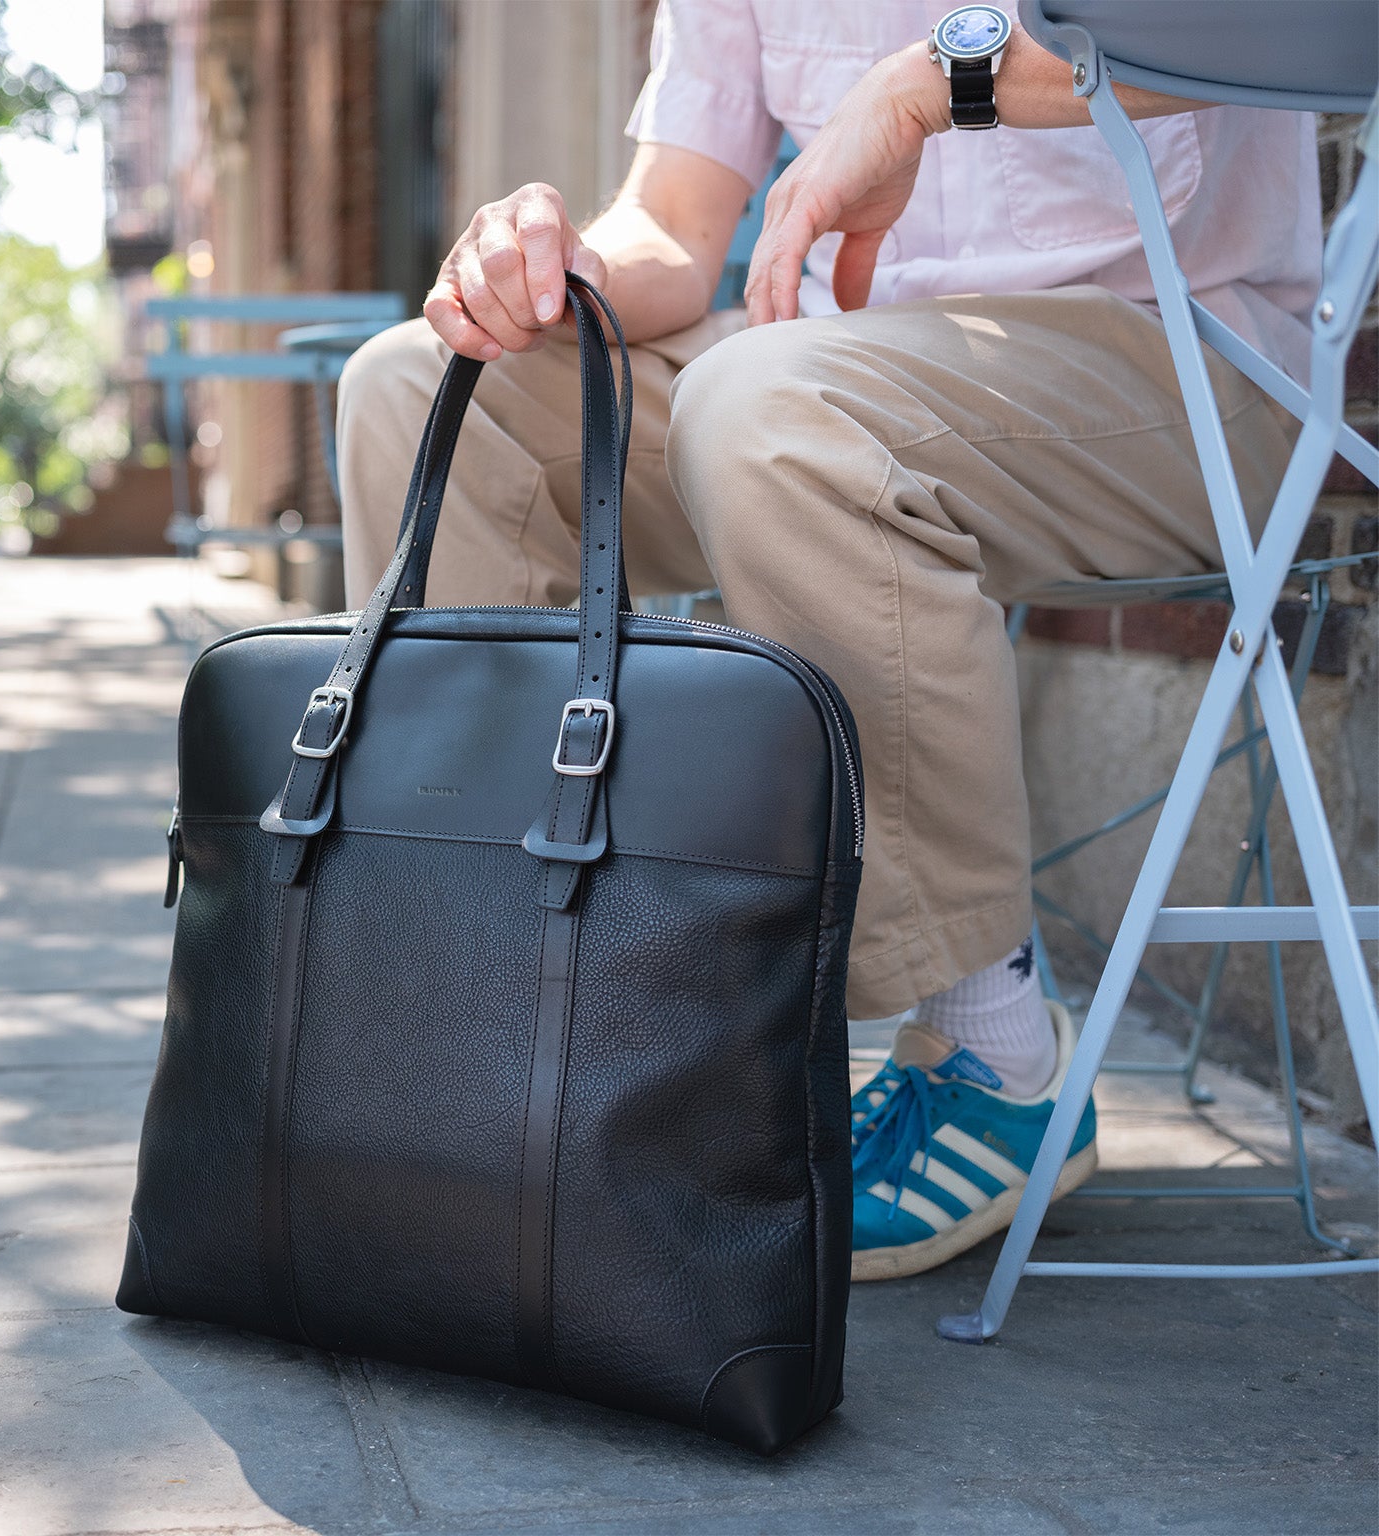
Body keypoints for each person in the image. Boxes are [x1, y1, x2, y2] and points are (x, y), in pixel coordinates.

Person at [334, 1, 1314, 1281]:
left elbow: (1271, 31)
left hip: (1180, 360)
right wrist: (550, 261)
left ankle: (992, 1050)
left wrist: (923, 90)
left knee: (769, 403)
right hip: (853, 365)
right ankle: (509, 1032)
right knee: (414, 385)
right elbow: (676, 229)